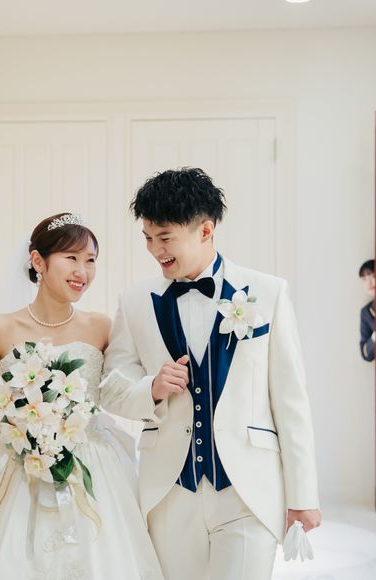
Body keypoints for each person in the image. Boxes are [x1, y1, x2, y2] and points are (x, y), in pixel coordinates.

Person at [101, 167, 321, 580]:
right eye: (147, 238)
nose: (155, 250)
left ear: (205, 230)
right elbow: (111, 388)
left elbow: (291, 400)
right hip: (169, 491)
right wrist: (151, 389)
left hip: (247, 491)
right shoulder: (134, 301)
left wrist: (303, 494)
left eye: (165, 237)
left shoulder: (267, 293)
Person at [0, 213, 164, 580]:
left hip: (94, 462)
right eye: (71, 258)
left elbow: (116, 391)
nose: (82, 271)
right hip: (22, 465)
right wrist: (18, 433)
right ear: (38, 261)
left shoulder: (101, 327)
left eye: (90, 260)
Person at [359, 259, 376, 362]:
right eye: (364, 279)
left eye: (373, 276)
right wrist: (375, 337)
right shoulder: (366, 312)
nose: (369, 283)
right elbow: (365, 354)